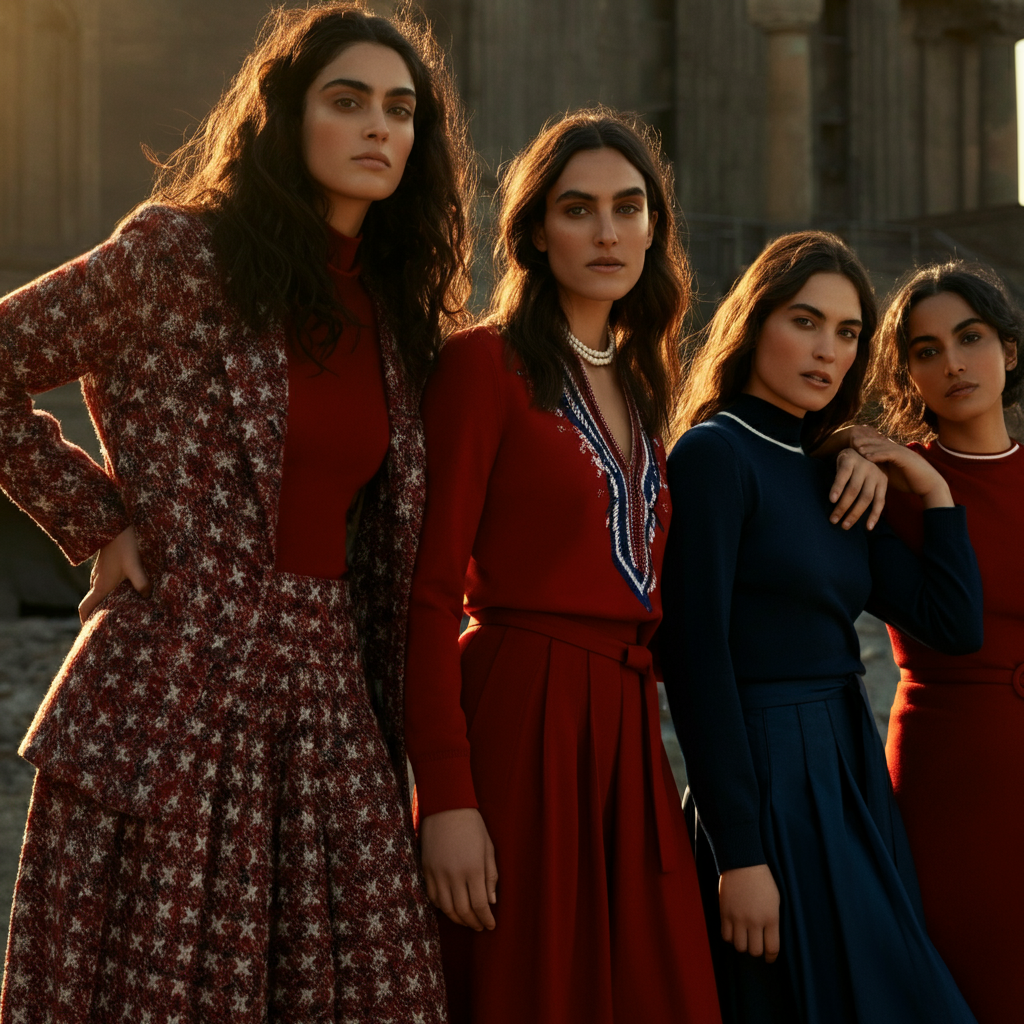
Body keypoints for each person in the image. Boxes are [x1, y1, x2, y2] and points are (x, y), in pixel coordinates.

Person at [0, 3, 472, 1021]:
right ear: (286, 115)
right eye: (347, 101)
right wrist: (94, 519)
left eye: (400, 110)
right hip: (168, 700)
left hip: (329, 704)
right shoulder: (177, 257)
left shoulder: (394, 313)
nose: (378, 126)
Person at [403, 109, 723, 1024]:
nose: (607, 231)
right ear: (537, 231)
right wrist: (446, 799)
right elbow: (429, 594)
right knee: (533, 986)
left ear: (654, 228)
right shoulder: (482, 366)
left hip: (626, 727)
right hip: (519, 715)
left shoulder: (645, 382)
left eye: (629, 208)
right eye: (578, 209)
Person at [660, 231, 984, 1024]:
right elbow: (696, 661)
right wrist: (741, 855)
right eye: (805, 322)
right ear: (755, 322)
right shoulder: (713, 455)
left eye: (848, 333)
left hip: (850, 770)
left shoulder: (834, 467)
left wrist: (930, 488)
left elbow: (952, 623)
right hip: (767, 780)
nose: (828, 351)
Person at [844, 261, 1024, 1024]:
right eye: (927, 350)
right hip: (953, 774)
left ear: (1008, 350)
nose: (953, 363)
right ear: (907, 376)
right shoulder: (889, 484)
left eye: (970, 338)